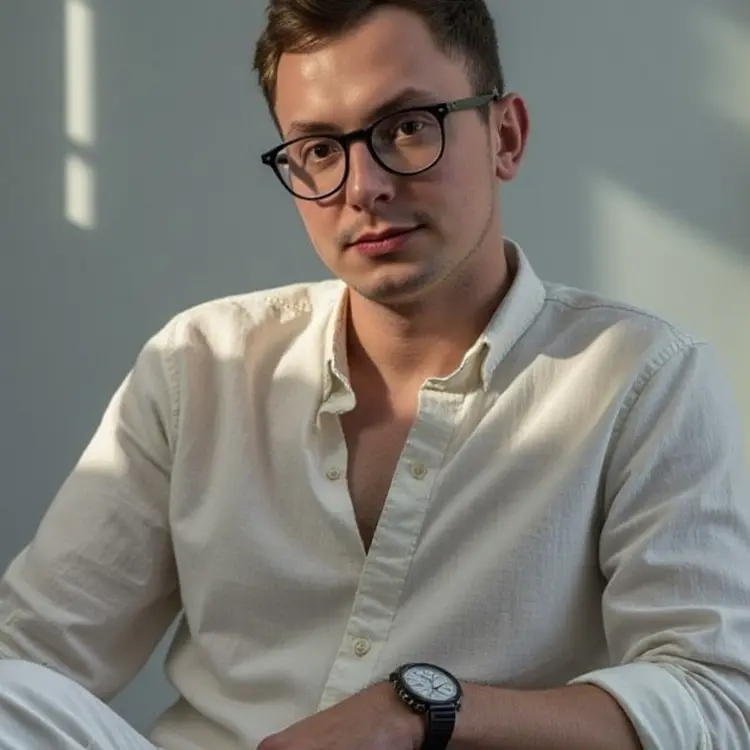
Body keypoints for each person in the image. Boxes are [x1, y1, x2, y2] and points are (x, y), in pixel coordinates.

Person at [2, 0, 750, 748]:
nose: (362, 187)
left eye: (407, 127)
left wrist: (420, 711)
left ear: (506, 136)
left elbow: (716, 702)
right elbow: (30, 657)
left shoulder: (644, 379)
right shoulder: (200, 363)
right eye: (319, 149)